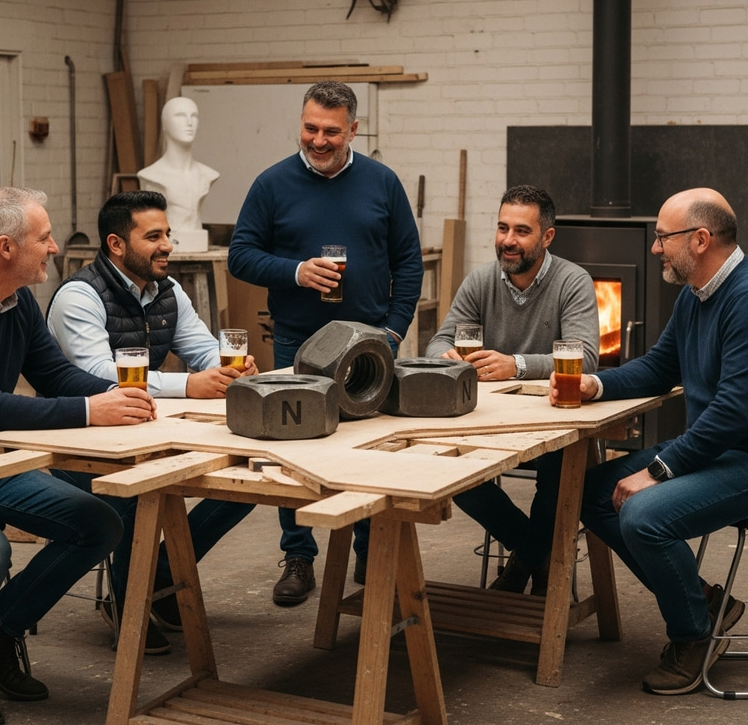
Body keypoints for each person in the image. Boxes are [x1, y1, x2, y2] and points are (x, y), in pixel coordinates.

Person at [0, 187, 157, 725]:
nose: (55, 247)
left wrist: (128, 399)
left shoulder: (17, 302)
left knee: (99, 525)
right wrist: (91, 411)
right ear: (6, 247)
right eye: (43, 238)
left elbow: (56, 375)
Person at [228, 80, 423, 606]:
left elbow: (409, 261)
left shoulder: (382, 182)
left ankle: (365, 546)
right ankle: (299, 555)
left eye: (331, 131)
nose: (318, 139)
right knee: (295, 450)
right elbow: (240, 255)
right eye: (310, 128)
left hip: (371, 342)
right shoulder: (272, 184)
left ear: (353, 130)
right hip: (297, 340)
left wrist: (395, 328)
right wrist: (294, 271)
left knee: (367, 449)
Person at [551, 187, 748, 695]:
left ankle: (693, 637)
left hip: (741, 460)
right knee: (594, 493)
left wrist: (658, 470)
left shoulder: (745, 300)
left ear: (700, 240)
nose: (656, 247)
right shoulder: (696, 295)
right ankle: (705, 602)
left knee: (642, 514)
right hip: (715, 454)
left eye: (663, 237)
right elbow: (662, 367)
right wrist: (596, 384)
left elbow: (733, 411)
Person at [46, 190, 258, 655]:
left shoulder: (167, 290)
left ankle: (156, 581)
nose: (167, 245)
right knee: (134, 494)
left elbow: (203, 350)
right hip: (78, 445)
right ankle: (130, 604)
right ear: (117, 244)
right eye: (154, 236)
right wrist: (189, 385)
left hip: (149, 429)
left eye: (168, 234)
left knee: (249, 476)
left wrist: (230, 370)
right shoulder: (78, 296)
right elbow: (98, 376)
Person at [426, 185, 599, 595]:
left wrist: (515, 366)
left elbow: (586, 358)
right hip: (488, 419)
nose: (507, 240)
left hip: (554, 418)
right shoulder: (481, 280)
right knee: (450, 471)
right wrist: (446, 357)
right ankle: (534, 553)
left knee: (562, 472)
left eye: (521, 231)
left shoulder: (573, 282)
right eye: (502, 228)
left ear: (547, 236)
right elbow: (437, 341)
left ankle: (527, 560)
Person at [138, 96, 218, 249]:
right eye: (180, 116)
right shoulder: (151, 176)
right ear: (165, 125)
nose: (189, 122)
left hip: (196, 239)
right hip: (170, 242)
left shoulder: (208, 174)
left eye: (194, 116)